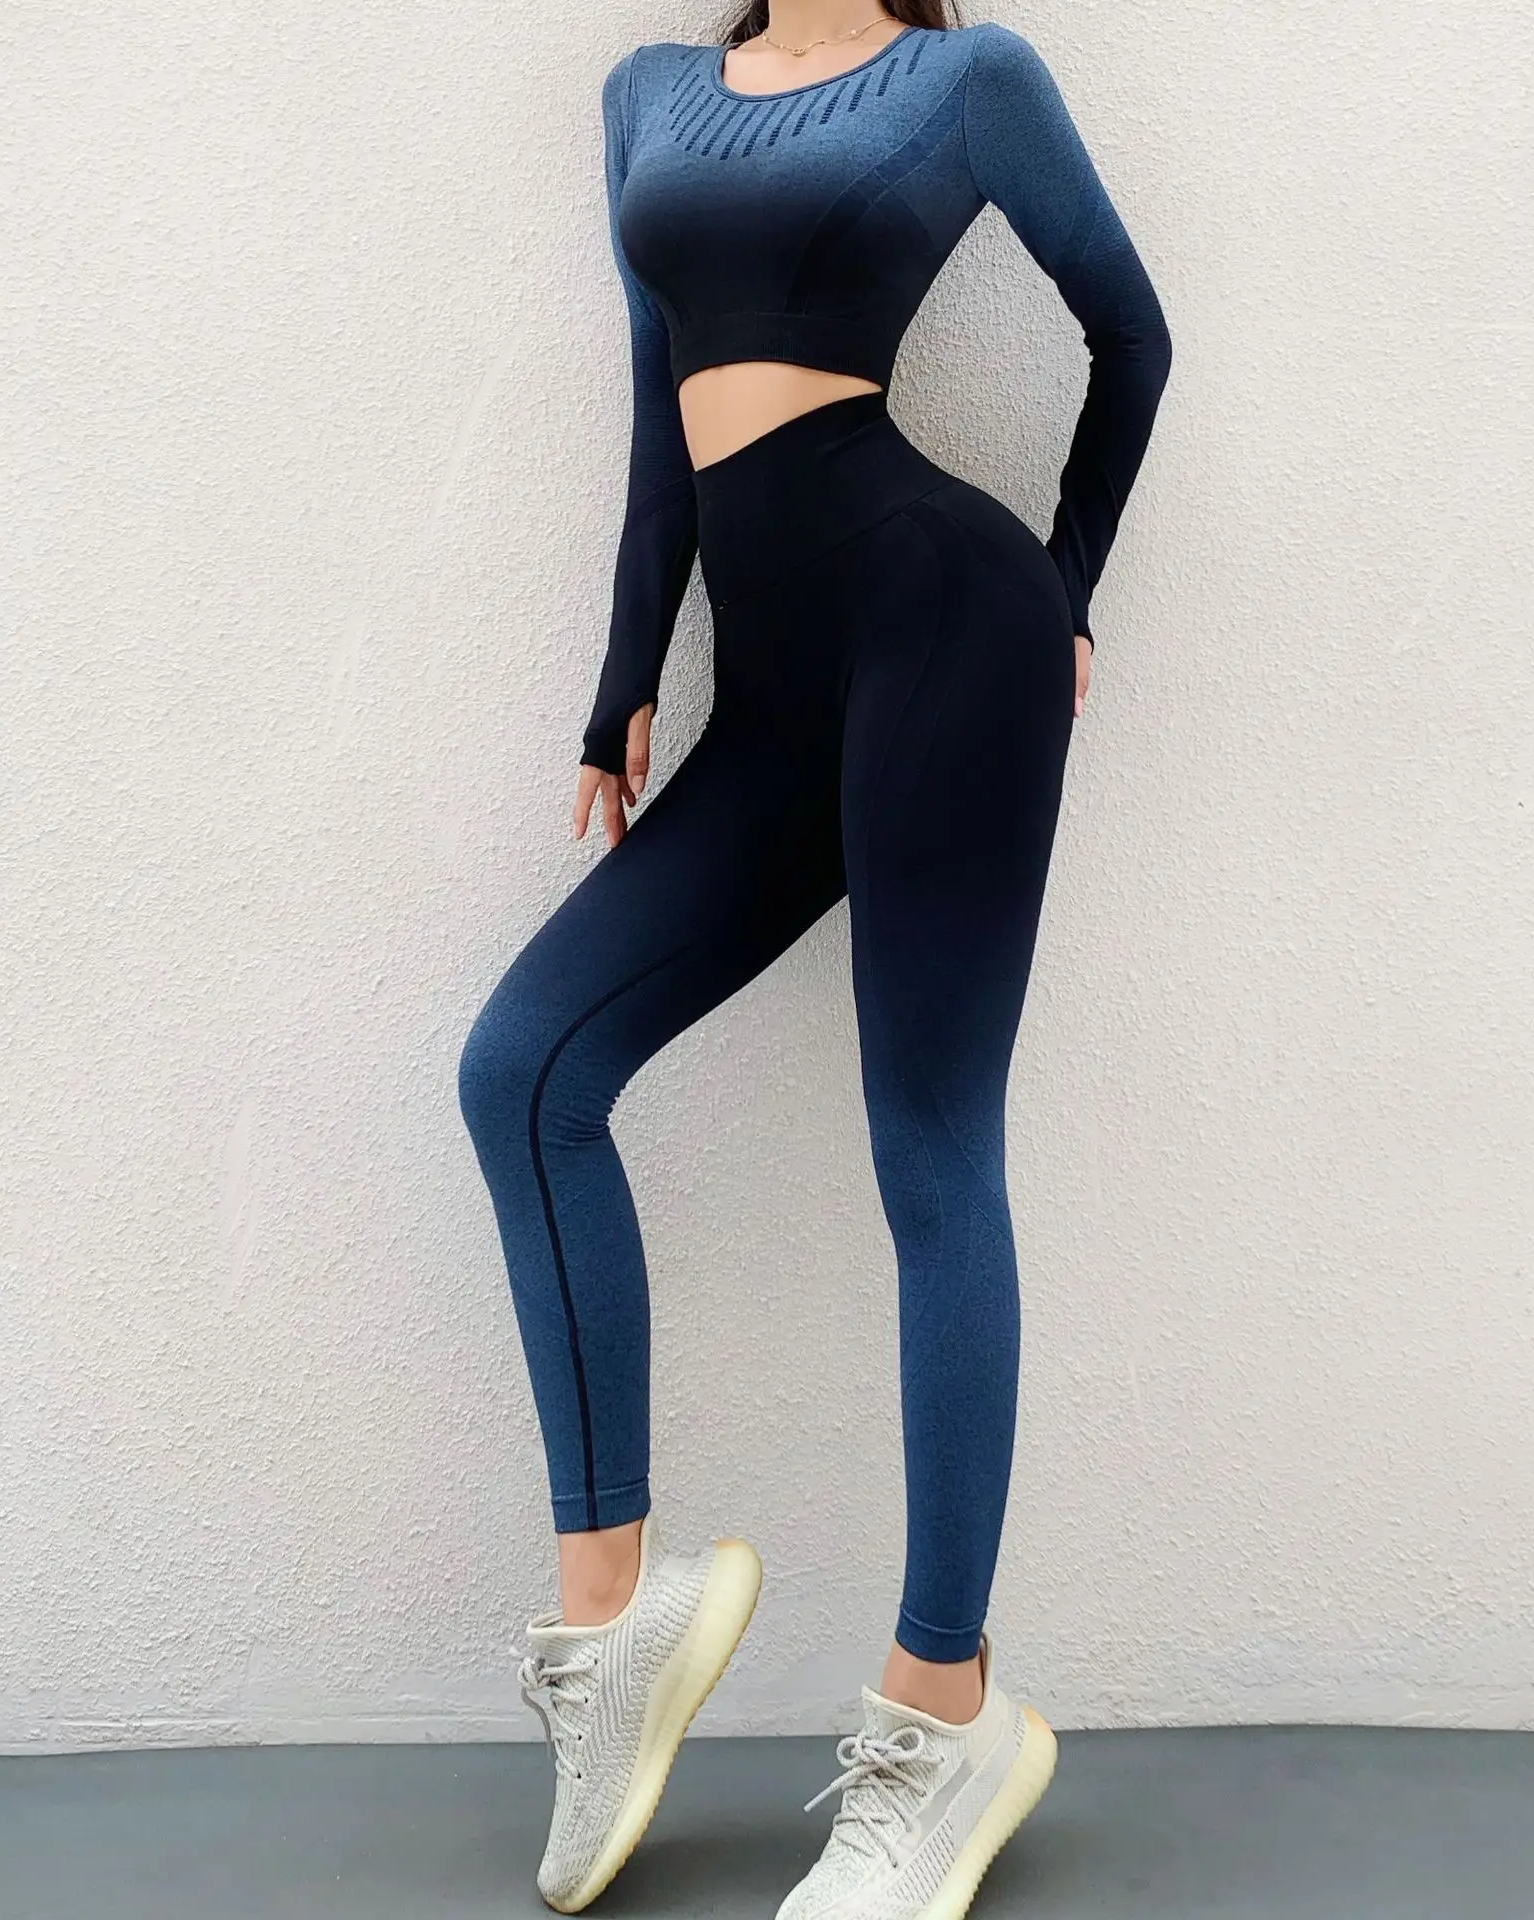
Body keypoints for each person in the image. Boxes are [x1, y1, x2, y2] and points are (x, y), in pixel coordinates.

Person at [457, 3, 1171, 1912]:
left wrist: (1066, 587)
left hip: (945, 624)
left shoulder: (968, 81)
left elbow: (1131, 331)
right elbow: (661, 404)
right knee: (523, 1072)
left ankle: (946, 1714)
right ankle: (614, 1619)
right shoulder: (647, 97)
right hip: (769, 692)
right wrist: (627, 674)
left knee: (929, 1148)